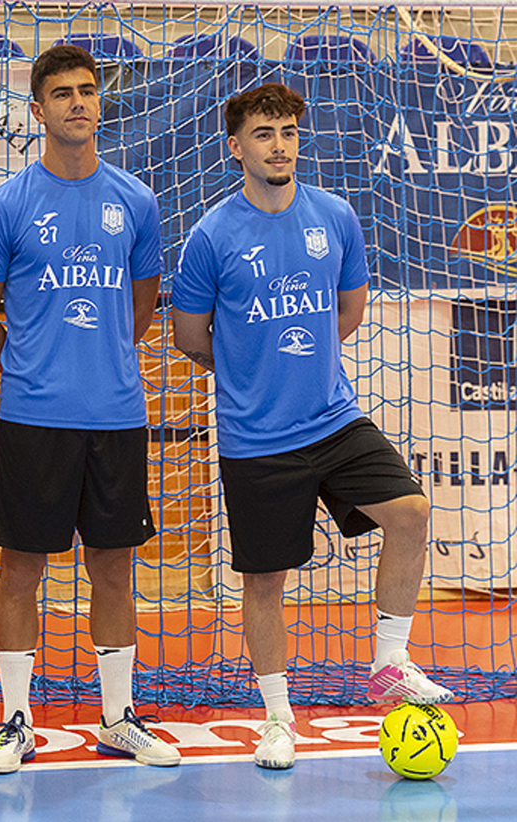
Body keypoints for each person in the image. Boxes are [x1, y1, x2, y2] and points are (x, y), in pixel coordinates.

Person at [171, 83, 453, 771]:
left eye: (289, 131)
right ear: (235, 148)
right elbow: (188, 337)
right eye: (264, 134)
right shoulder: (212, 235)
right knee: (265, 582)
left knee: (411, 512)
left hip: (332, 417)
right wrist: (250, 369)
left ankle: (390, 662)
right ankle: (277, 718)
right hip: (256, 436)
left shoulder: (334, 216)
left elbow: (348, 313)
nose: (280, 144)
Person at [0, 44, 180, 775]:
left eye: (87, 90)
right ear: (38, 110)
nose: (78, 102)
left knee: (113, 569)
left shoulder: (136, 200)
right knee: (22, 568)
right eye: (62, 93)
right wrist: (31, 367)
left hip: (117, 416)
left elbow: (143, 307)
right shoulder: (7, 203)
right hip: (34, 417)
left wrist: (99, 358)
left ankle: (117, 718)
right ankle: (16, 720)